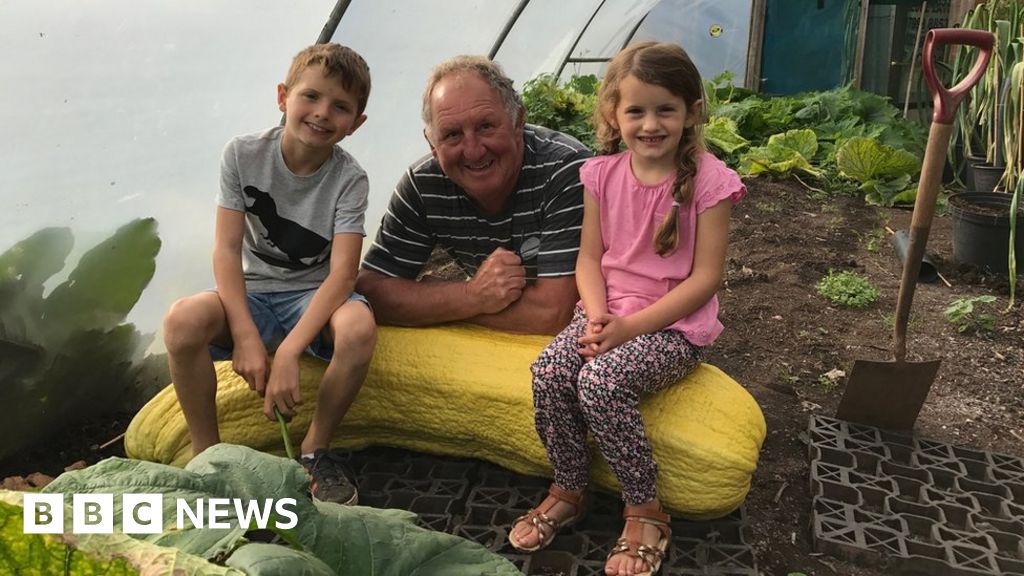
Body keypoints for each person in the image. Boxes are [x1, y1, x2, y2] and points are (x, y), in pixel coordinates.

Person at [507, 42, 746, 576]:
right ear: (613, 115)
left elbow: (706, 279)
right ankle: (570, 486)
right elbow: (588, 259)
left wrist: (629, 328)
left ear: (691, 113)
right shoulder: (601, 175)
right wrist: (595, 316)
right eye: (636, 110)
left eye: (666, 109)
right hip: (606, 313)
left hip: (673, 327)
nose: (650, 123)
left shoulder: (710, 182)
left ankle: (645, 509)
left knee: (601, 383)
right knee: (549, 372)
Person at [162, 43, 375, 506]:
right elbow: (225, 249)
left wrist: (289, 352)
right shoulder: (242, 154)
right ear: (283, 97)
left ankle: (316, 451)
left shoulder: (350, 179)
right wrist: (245, 334)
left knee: (358, 328)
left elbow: (342, 275)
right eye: (311, 97)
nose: (322, 114)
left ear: (356, 124)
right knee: (181, 321)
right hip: (254, 294)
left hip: (313, 295)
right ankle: (209, 459)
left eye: (341, 107)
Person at [355, 55, 592, 335]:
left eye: (485, 126)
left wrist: (440, 300)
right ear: (432, 144)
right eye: (452, 134)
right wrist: (472, 296)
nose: (473, 150)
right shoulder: (423, 185)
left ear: (518, 121)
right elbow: (371, 292)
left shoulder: (566, 169)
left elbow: (554, 313)